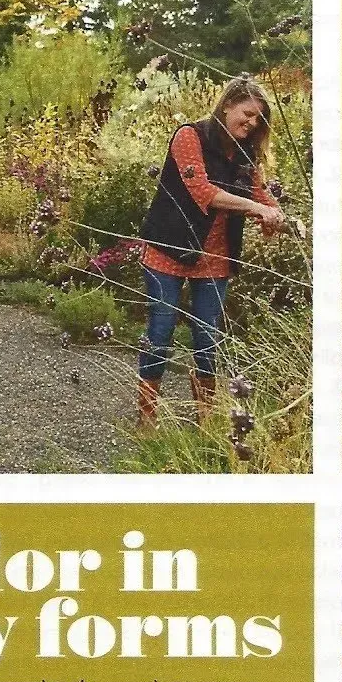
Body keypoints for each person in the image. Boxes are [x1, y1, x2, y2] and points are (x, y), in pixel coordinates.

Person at [135, 76, 284, 429]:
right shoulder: (191, 136)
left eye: (257, 121)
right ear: (228, 104)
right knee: (160, 331)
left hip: (216, 256)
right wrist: (255, 207)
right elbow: (203, 191)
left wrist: (275, 216)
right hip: (169, 249)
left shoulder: (247, 154)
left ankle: (205, 419)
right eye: (247, 114)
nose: (250, 124)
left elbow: (260, 195)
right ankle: (146, 418)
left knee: (207, 336)